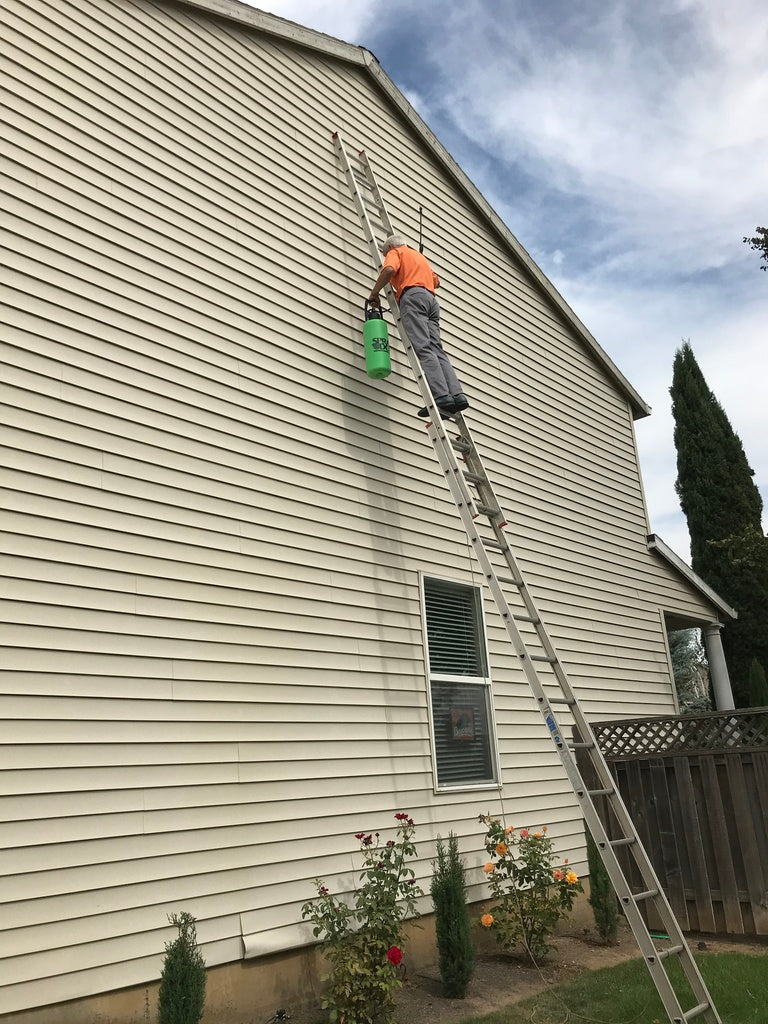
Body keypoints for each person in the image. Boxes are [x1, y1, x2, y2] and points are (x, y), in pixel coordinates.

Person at [367, 234, 469, 418]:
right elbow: (436, 282)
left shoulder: (396, 252)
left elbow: (389, 269)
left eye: (384, 253)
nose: (384, 256)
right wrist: (416, 270)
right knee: (437, 349)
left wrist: (375, 293)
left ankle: (441, 396)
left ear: (389, 248)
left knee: (423, 348)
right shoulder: (419, 257)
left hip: (413, 298)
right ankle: (457, 395)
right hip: (431, 301)